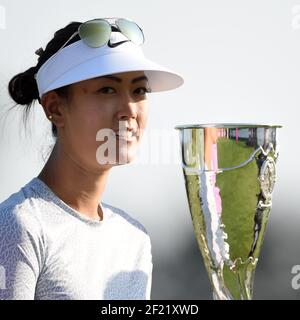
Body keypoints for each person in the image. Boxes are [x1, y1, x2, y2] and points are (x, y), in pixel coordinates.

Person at [0, 17, 184, 300]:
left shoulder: (134, 239)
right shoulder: (19, 226)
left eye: (139, 90)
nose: (129, 110)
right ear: (55, 108)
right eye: (107, 90)